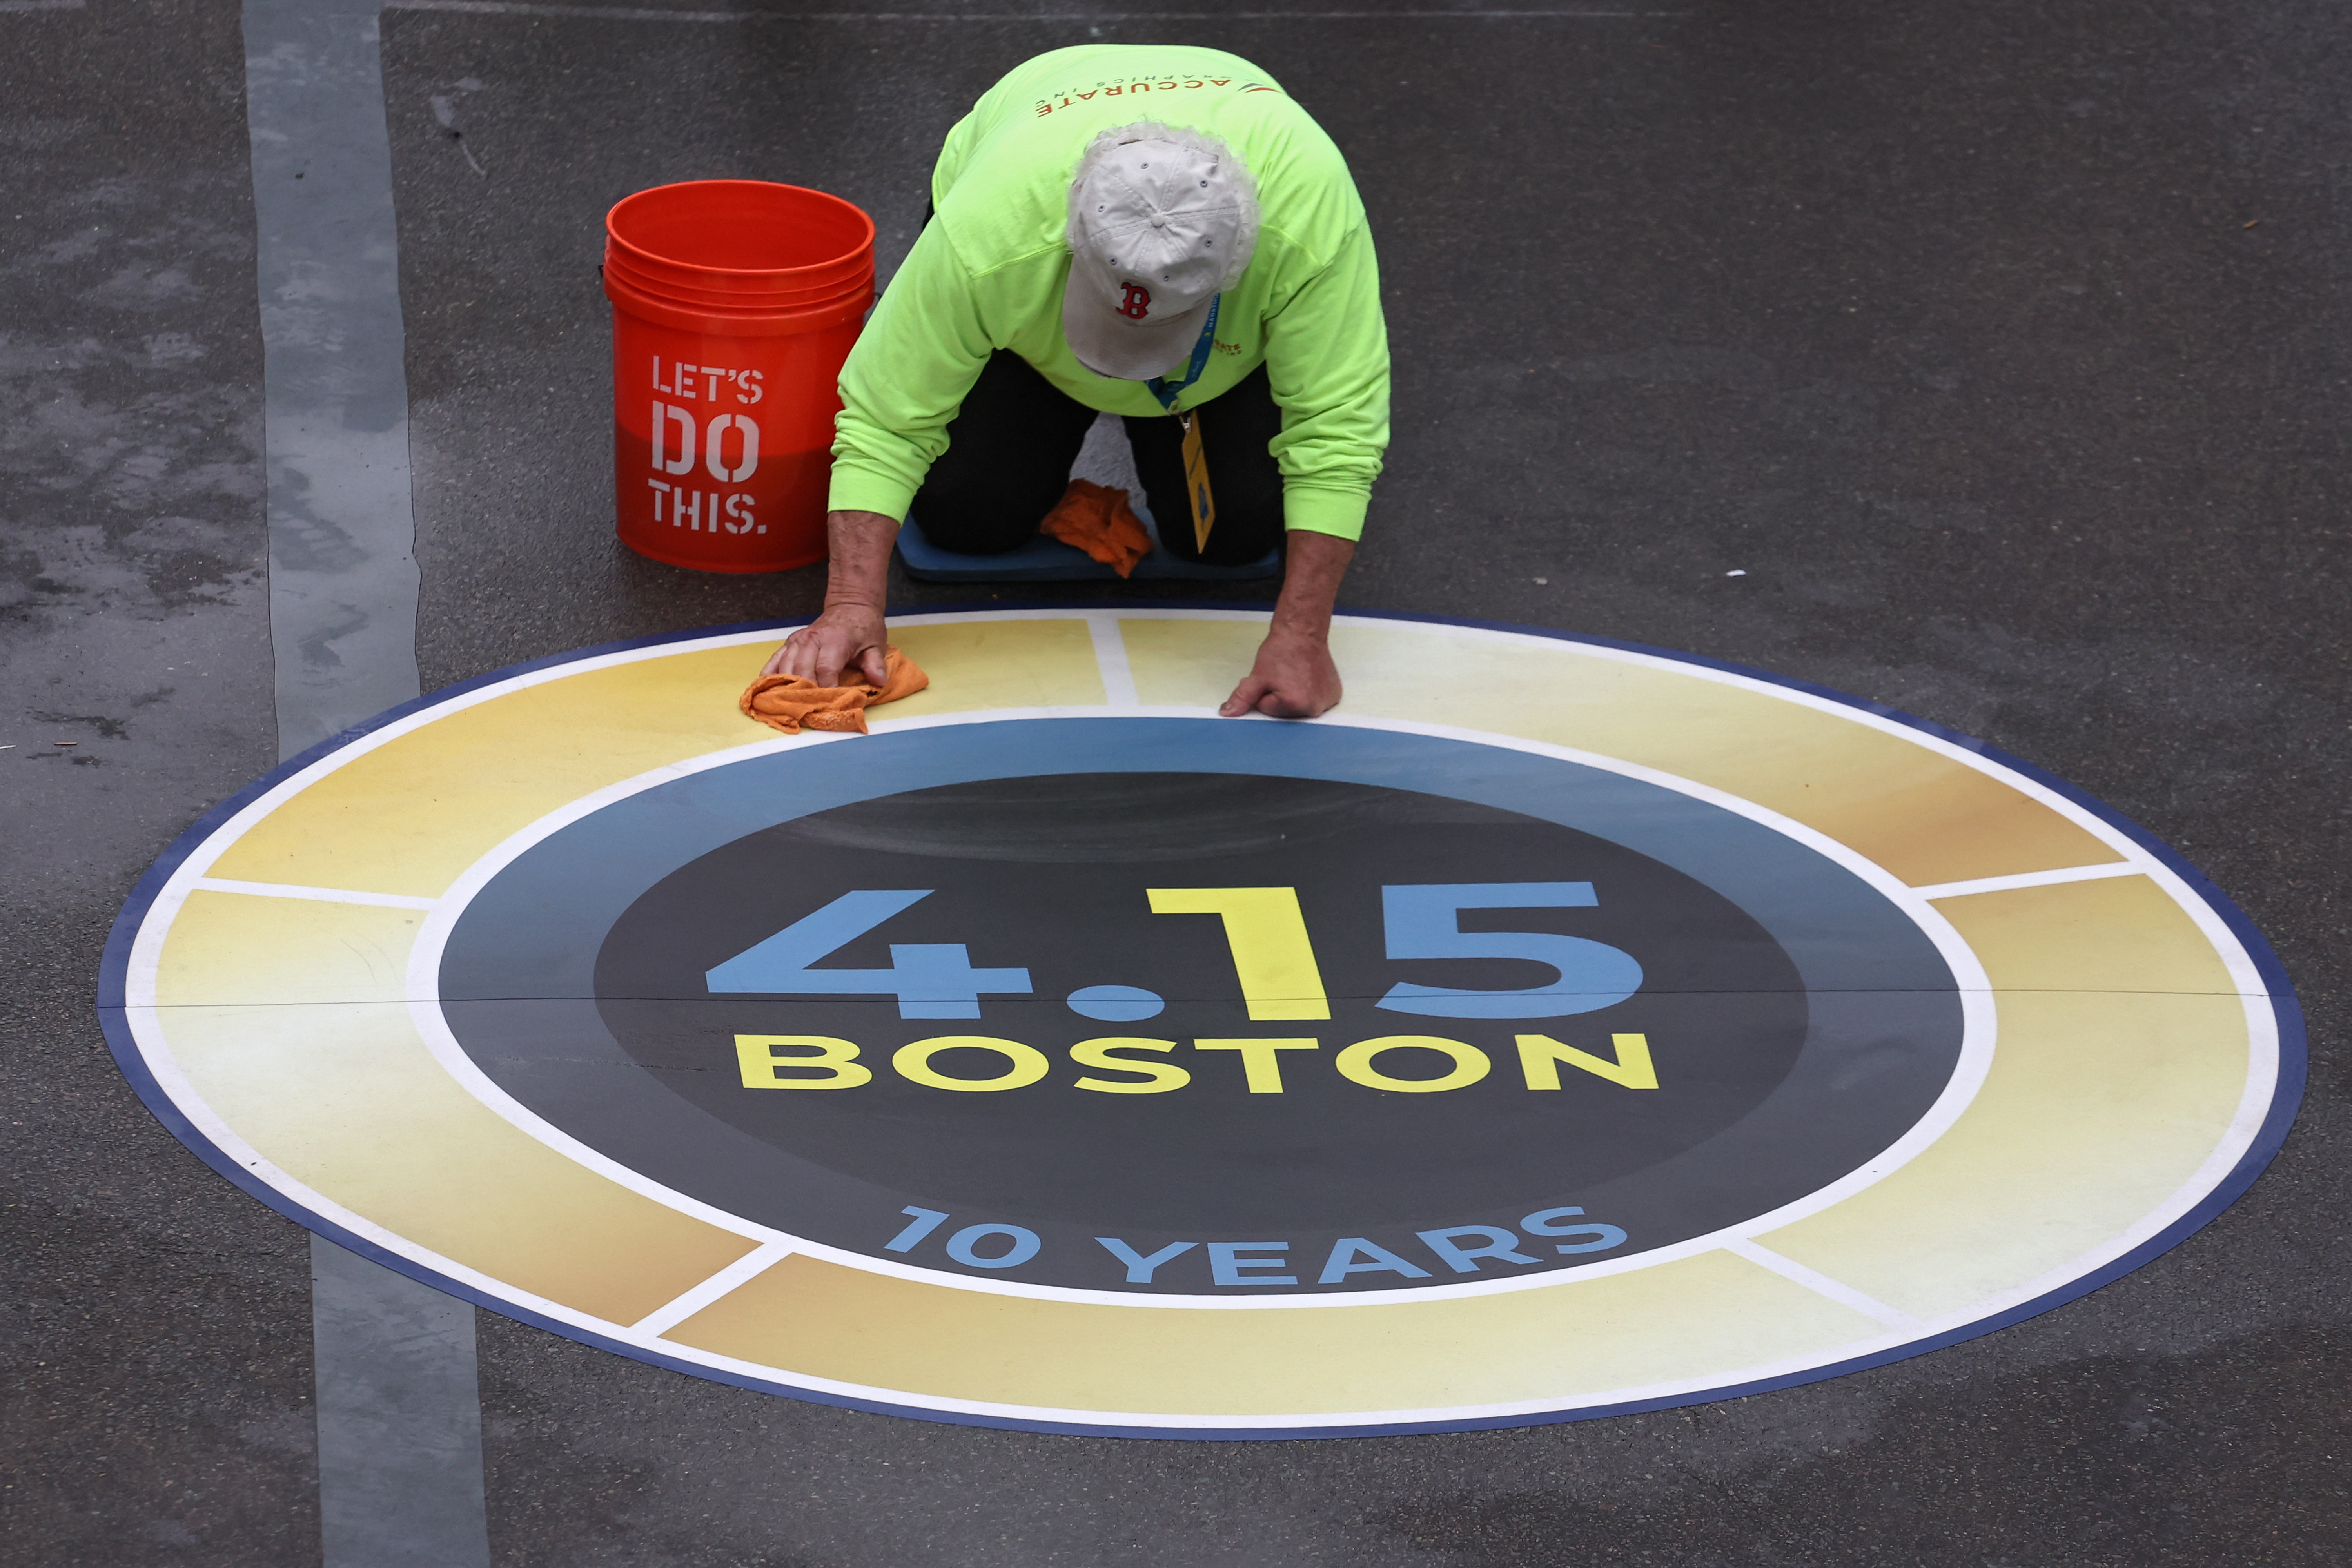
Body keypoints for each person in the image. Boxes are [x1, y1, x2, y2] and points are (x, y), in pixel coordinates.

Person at [766, 44, 1389, 719]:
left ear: (1240, 264)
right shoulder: (991, 227)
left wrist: (1302, 634)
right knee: (967, 519)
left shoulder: (1308, 217)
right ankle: (1039, 407)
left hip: (1216, 364)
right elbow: (886, 413)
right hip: (1026, 301)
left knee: (1226, 538)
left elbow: (1336, 426)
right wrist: (851, 605)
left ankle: (1163, 419)